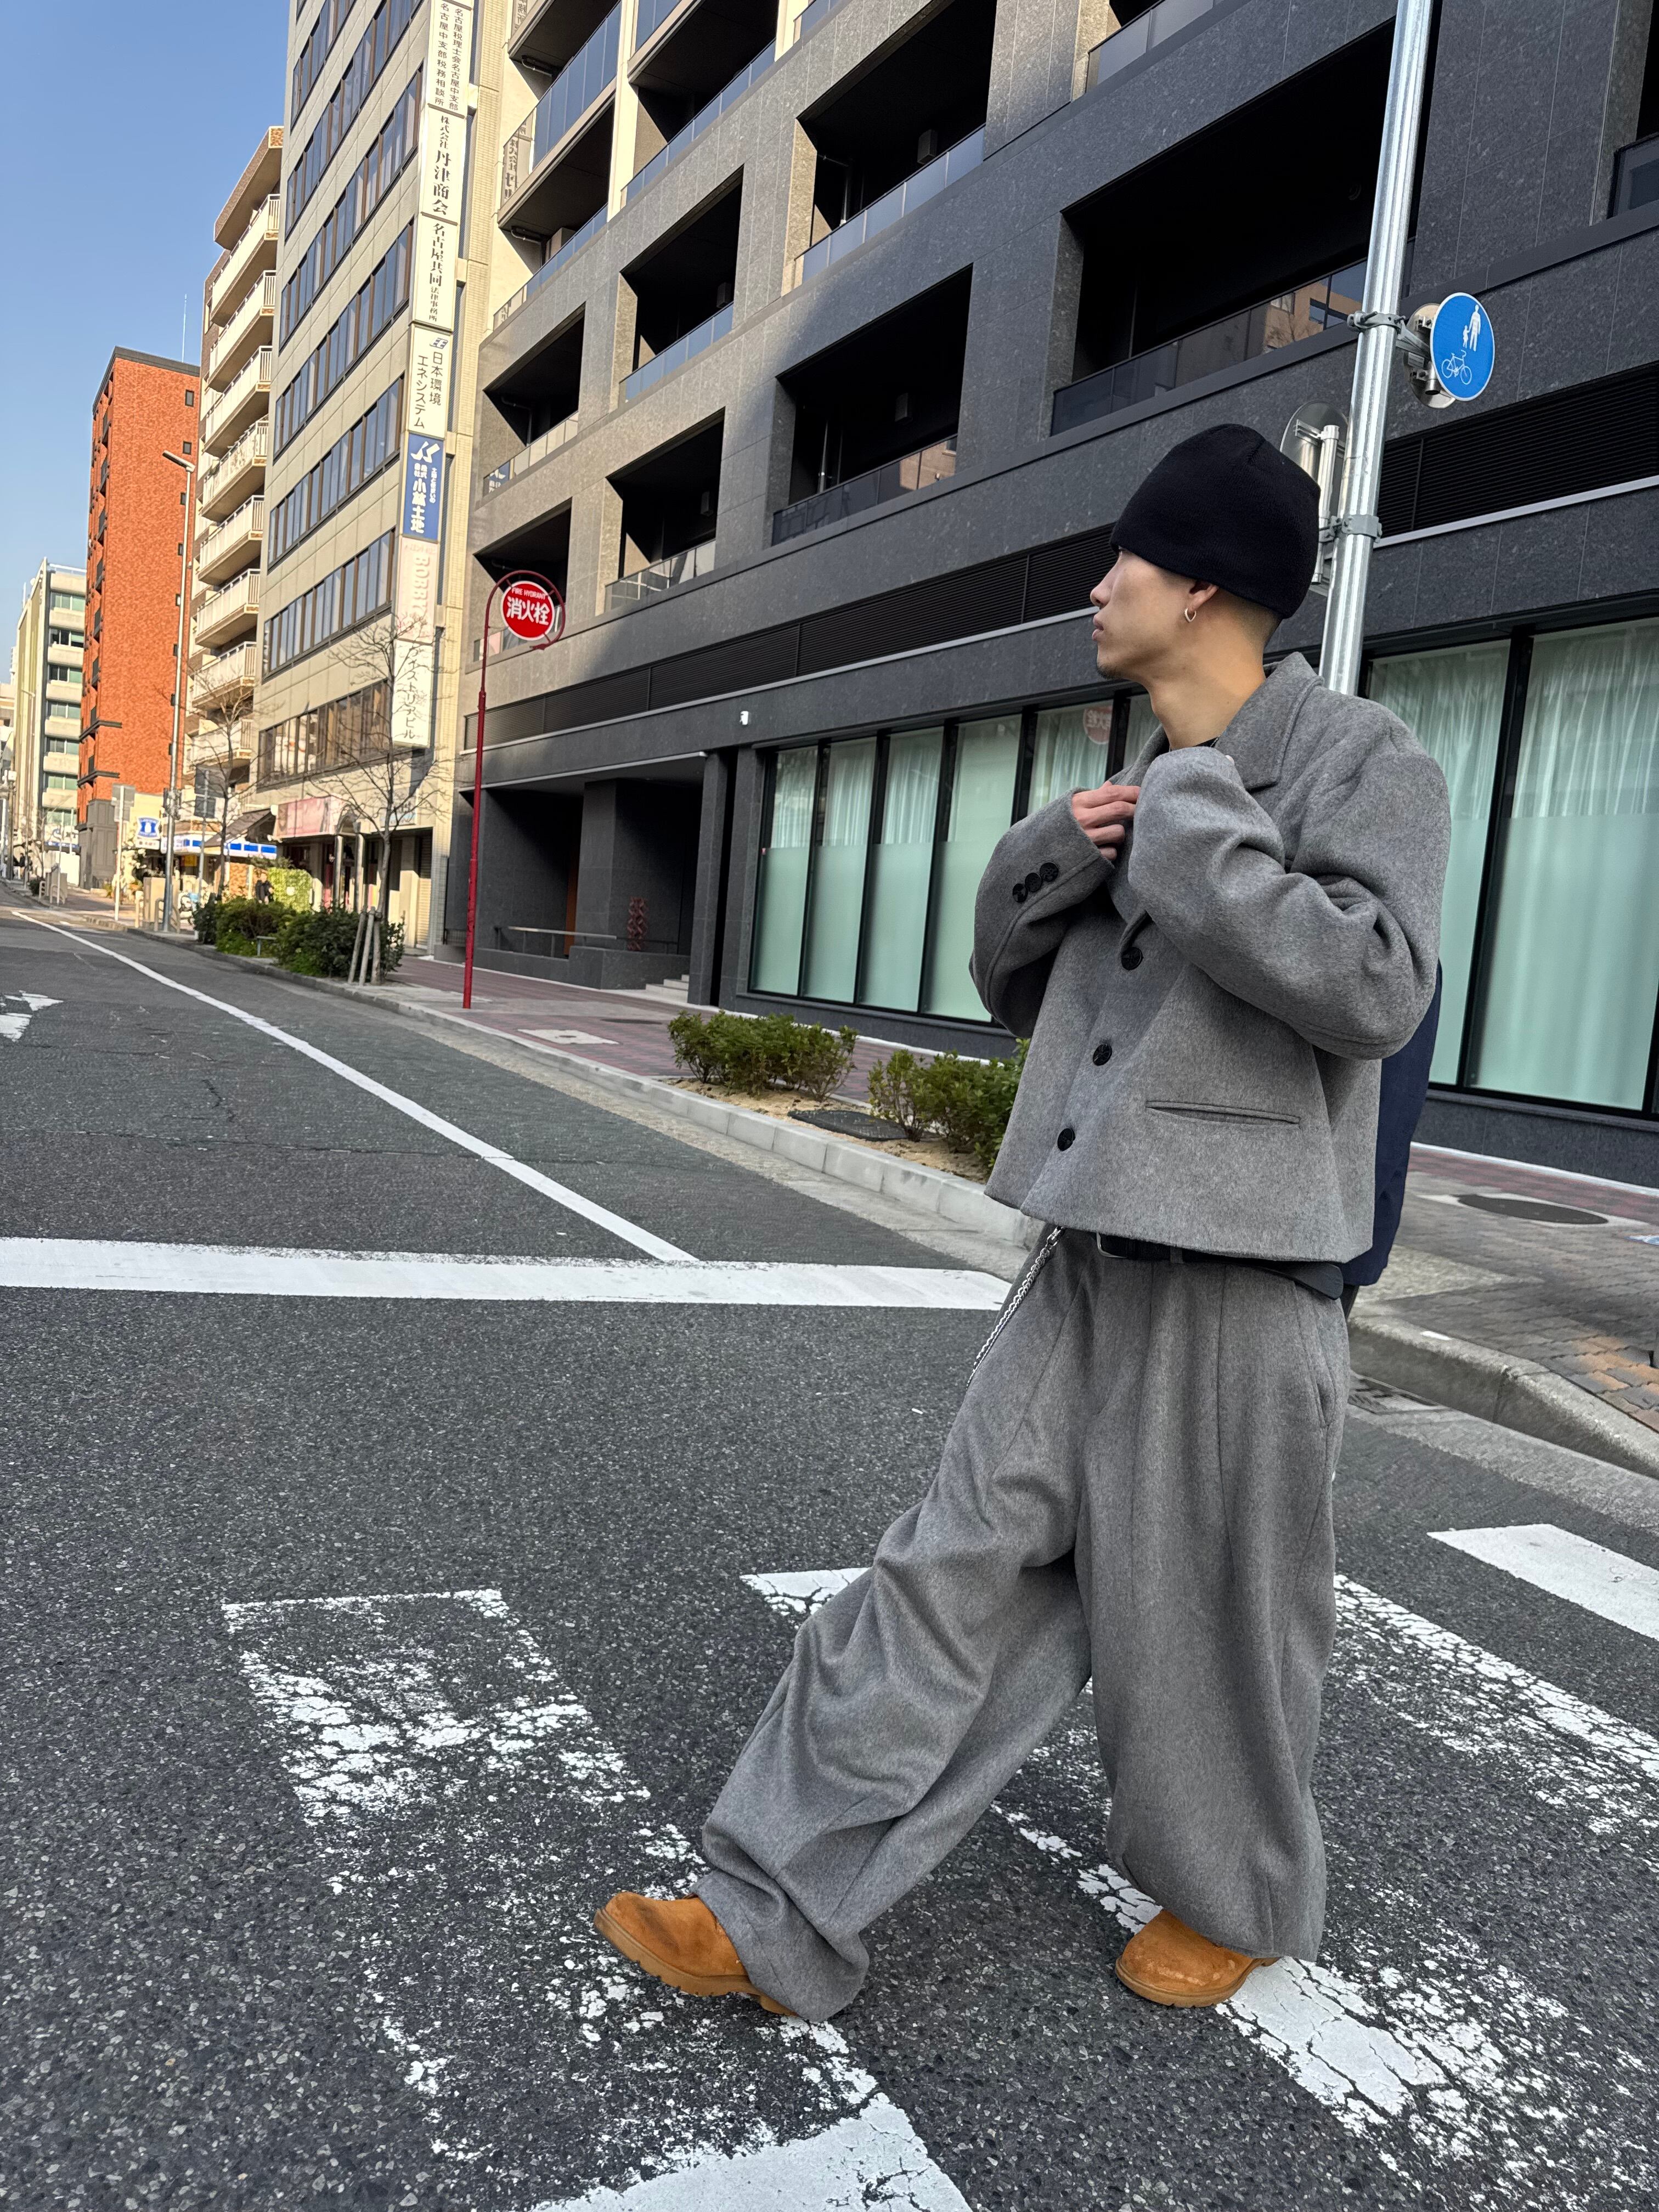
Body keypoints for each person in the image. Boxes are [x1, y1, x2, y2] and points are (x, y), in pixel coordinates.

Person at [596, 423, 1450, 2019]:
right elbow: (1019, 989)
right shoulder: (1142, 778)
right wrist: (1054, 850)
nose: (1098, 587)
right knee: (947, 1570)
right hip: (1085, 1261)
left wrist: (1192, 828)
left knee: (1217, 1626)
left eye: (1128, 560)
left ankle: (1235, 1896)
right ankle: (774, 1909)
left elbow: (1378, 984)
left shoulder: (1359, 760)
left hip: (1248, 1284)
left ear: (1204, 589)